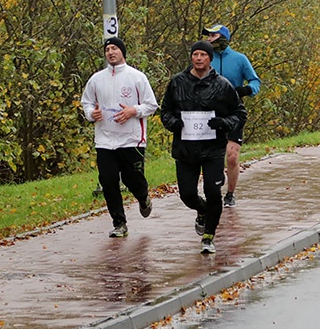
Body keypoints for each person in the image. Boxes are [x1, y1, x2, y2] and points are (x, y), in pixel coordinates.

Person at [161, 41, 247, 254]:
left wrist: (224, 124)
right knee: (187, 195)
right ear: (191, 58)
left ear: (210, 59)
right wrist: (174, 123)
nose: (199, 58)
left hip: (212, 149)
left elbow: (239, 113)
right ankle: (203, 211)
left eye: (203, 55)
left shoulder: (223, 85)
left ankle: (209, 236)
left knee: (212, 190)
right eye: (195, 54)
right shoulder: (177, 83)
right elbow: (165, 111)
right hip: (185, 149)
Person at [81, 37, 159, 238]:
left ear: (122, 52)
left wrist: (134, 110)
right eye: (107, 49)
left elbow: (151, 105)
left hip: (131, 139)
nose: (110, 52)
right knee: (108, 181)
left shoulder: (137, 77)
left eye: (114, 48)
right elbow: (87, 103)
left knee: (132, 178)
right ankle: (119, 223)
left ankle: (143, 197)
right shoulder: (96, 79)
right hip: (105, 140)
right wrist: (91, 114)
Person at [202, 24, 261, 209]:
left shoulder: (239, 59)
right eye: (208, 35)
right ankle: (213, 190)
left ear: (224, 38)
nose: (210, 38)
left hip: (234, 111)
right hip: (210, 112)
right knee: (210, 155)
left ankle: (230, 193)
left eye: (213, 35)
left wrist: (247, 89)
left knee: (232, 157)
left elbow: (255, 81)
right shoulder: (204, 59)